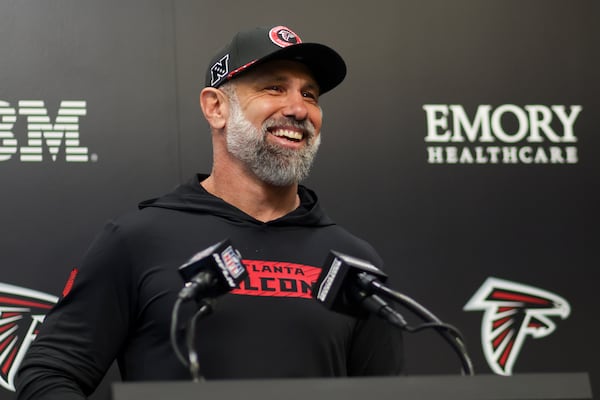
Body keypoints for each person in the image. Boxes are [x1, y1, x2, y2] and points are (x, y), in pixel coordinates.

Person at [15, 25, 403, 400]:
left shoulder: (354, 263)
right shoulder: (139, 241)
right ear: (215, 107)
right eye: (274, 88)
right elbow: (49, 374)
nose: (299, 109)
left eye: (311, 94)